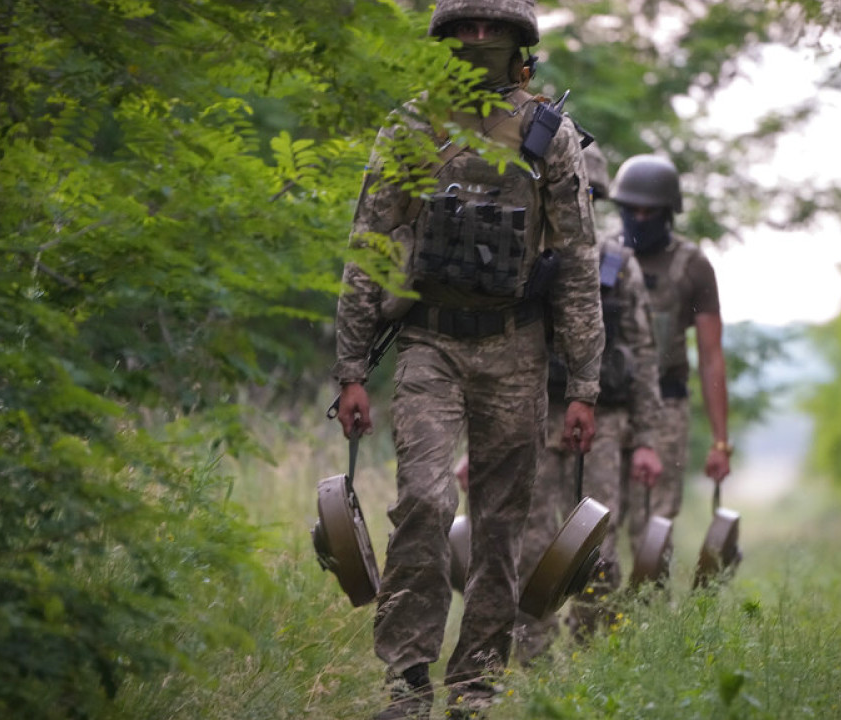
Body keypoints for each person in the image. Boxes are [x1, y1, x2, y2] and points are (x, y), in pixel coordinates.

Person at [332, 0, 604, 717]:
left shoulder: (552, 136)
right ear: (446, 38)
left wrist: (584, 385)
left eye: (492, 27)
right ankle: (407, 678)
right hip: (430, 343)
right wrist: (351, 371)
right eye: (465, 27)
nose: (478, 38)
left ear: (518, 39)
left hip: (516, 349)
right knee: (423, 498)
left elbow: (577, 263)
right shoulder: (412, 127)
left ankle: (477, 681)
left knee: (502, 525)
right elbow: (368, 246)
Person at [513, 143, 664, 662]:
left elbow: (644, 357)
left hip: (604, 425)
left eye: (588, 193)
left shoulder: (620, 265)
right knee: (530, 544)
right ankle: (530, 660)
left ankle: (592, 661)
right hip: (535, 415)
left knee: (595, 549)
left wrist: (645, 440)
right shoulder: (526, 256)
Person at [609, 154, 732, 555]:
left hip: (667, 405)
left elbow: (712, 356)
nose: (639, 218)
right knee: (598, 521)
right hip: (608, 404)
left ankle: (648, 614)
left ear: (667, 212)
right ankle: (594, 616)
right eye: (632, 210)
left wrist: (719, 442)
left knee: (654, 526)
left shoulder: (692, 265)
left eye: (650, 211)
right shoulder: (602, 255)